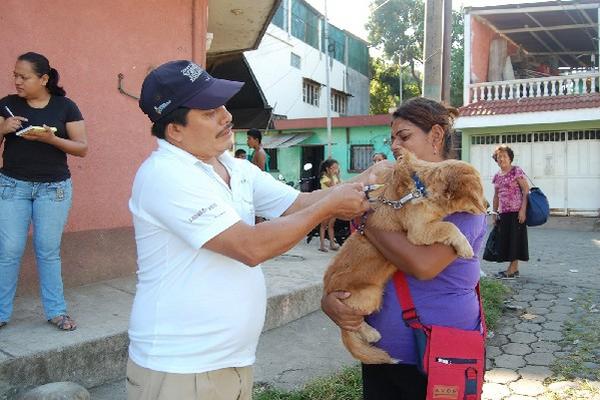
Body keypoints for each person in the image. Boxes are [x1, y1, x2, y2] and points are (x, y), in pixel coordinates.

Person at [127, 60, 374, 400]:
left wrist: (368, 182)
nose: (227, 116)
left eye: (223, 105)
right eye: (210, 111)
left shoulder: (232, 166)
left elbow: (298, 203)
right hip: (181, 367)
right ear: (175, 130)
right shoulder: (166, 175)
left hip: (231, 362)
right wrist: (331, 206)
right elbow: (249, 247)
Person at [321, 97, 487, 399]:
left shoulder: (459, 195)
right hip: (382, 351)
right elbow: (356, 260)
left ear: (435, 136)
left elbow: (422, 266)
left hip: (440, 356)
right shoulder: (391, 194)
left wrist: (367, 215)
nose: (395, 145)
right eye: (393, 138)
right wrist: (330, 302)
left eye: (405, 136)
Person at [0, 52, 87, 331]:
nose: (17, 81)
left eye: (24, 77)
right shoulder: (7, 105)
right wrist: (2, 129)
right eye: (15, 75)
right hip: (13, 186)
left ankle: (56, 311)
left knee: (48, 250)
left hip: (54, 189)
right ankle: (1, 313)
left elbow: (82, 148)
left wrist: (51, 138)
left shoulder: (66, 107)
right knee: (9, 250)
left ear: (44, 78)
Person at [491, 145, 529, 279]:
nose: (501, 159)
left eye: (504, 156)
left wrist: (523, 210)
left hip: (516, 212)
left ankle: (512, 270)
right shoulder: (497, 176)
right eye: (499, 157)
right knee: (508, 240)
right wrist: (494, 213)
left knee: (515, 240)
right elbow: (496, 196)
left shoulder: (516, 171)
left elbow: (526, 190)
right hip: (504, 213)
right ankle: (514, 269)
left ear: (510, 158)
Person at [318, 158, 341, 252]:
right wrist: (332, 175)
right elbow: (332, 186)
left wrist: (338, 176)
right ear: (328, 169)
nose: (335, 169)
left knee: (331, 225)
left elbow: (340, 186)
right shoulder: (324, 178)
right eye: (333, 168)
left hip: (334, 203)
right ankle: (322, 245)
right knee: (324, 225)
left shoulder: (335, 177)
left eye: (337, 167)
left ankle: (332, 243)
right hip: (325, 203)